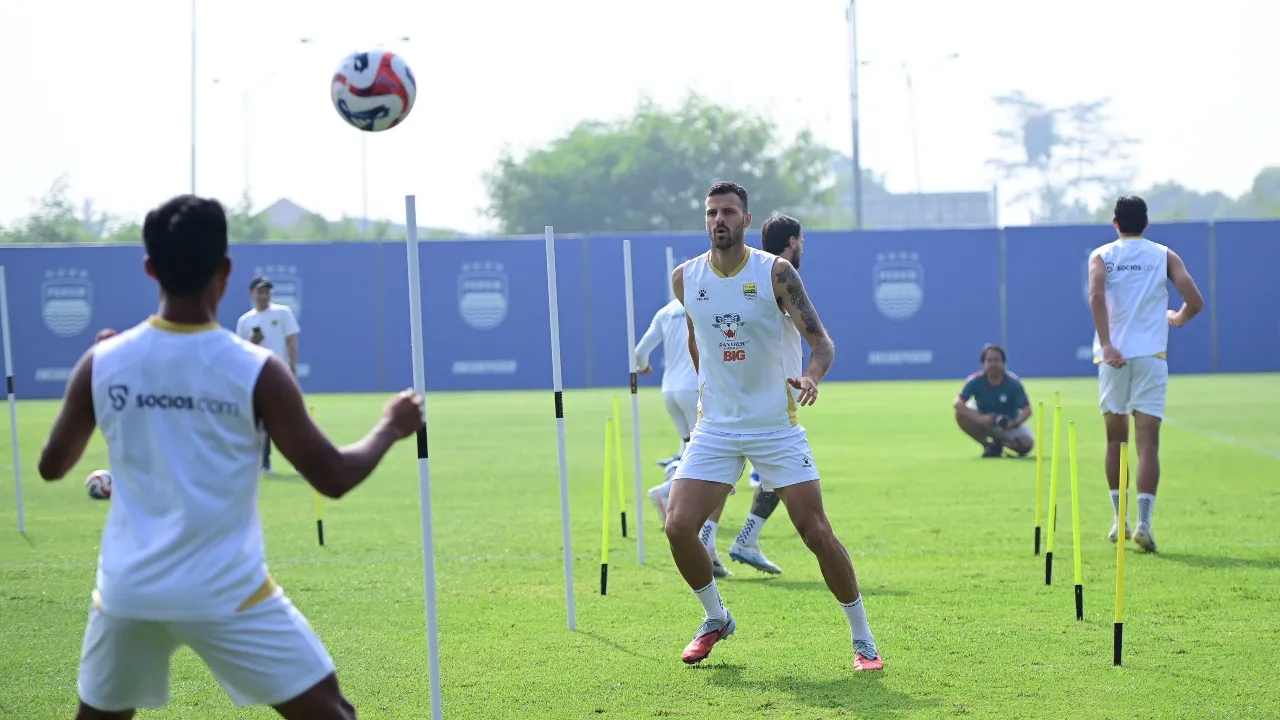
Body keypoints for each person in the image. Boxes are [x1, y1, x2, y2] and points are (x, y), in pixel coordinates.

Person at [36, 194, 424, 720]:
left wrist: (95, 379)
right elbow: (333, 476)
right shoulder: (257, 370)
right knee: (335, 715)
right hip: (227, 590)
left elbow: (52, 466)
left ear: (150, 268)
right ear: (225, 269)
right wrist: (390, 427)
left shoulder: (103, 361)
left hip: (129, 593)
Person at [664, 180, 883, 671]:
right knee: (678, 527)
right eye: (711, 212)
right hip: (716, 426)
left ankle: (863, 639)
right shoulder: (685, 278)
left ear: (746, 218)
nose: (719, 220)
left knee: (816, 533)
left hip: (775, 427)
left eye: (729, 212)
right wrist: (714, 388)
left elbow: (822, 343)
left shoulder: (776, 274)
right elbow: (697, 336)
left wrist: (810, 376)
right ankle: (715, 617)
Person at [1088, 195, 1203, 553]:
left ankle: (1119, 520)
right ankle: (1144, 523)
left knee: (1114, 442)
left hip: (1114, 359)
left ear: (1115, 223)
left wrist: (1107, 344)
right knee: (1148, 444)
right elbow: (1194, 300)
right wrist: (1177, 318)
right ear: (1147, 224)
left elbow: (1095, 296)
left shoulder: (1102, 255)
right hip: (1152, 356)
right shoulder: (1164, 255)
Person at [236, 275, 301, 475]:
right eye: (260, 291)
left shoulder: (282, 313)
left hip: (279, 373)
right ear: (252, 294)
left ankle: (301, 462)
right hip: (256, 375)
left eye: (267, 291)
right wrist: (253, 341)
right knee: (261, 422)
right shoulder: (246, 320)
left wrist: (291, 366)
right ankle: (264, 463)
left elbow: (291, 340)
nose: (264, 295)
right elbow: (241, 350)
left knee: (289, 419)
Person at [634, 292, 698, 473]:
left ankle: (673, 483)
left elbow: (639, 352)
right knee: (701, 450)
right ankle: (667, 490)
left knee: (689, 446)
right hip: (694, 388)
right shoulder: (705, 305)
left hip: (669, 390)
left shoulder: (664, 312)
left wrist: (644, 367)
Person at [953, 344, 1034, 458]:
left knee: (1027, 445)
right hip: (985, 420)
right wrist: (980, 419)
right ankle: (987, 445)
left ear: (1003, 363)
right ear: (983, 363)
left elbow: (1027, 410)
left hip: (1009, 423)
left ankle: (1000, 444)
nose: (993, 364)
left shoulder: (1013, 383)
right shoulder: (975, 381)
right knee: (961, 414)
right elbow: (958, 403)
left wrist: (1014, 423)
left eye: (996, 360)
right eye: (989, 360)